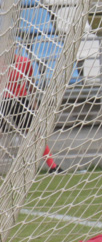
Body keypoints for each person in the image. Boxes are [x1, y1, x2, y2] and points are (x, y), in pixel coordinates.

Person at [1, 44, 61, 174]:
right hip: (3, 100)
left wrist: (34, 103)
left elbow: (30, 83)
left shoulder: (24, 62)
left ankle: (53, 167)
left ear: (15, 48)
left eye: (11, 47)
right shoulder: (1, 64)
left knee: (35, 134)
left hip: (20, 100)